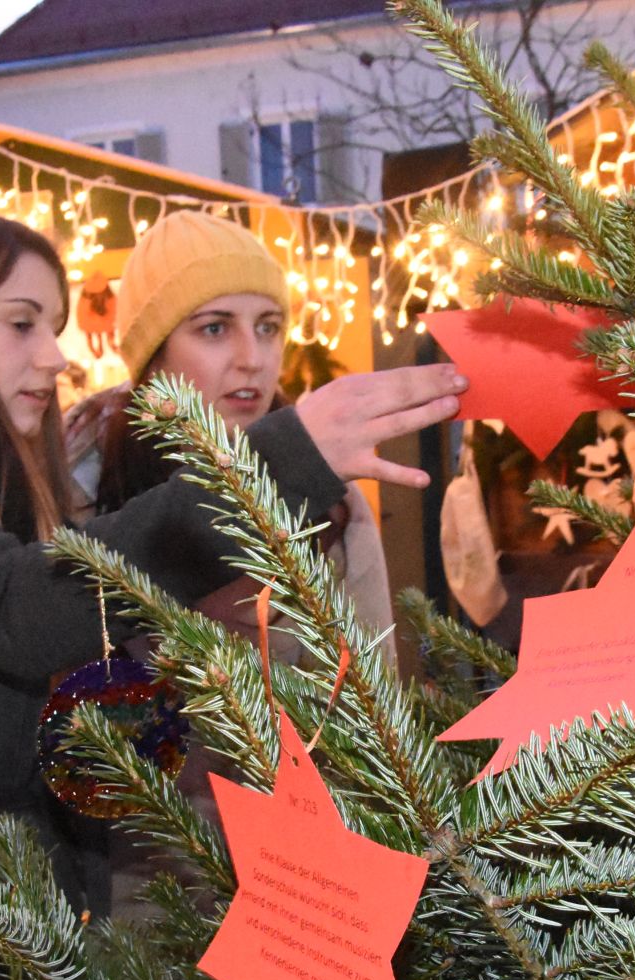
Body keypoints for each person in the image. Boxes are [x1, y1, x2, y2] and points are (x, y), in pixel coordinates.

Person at [0, 206, 463, 939]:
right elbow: (14, 606)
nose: (55, 357)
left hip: (29, 907)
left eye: (53, 328)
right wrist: (271, 469)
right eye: (22, 323)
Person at [66, 210, 395, 651]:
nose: (253, 358)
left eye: (268, 327)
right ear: (153, 356)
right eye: (215, 328)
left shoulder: (326, 498)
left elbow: (374, 700)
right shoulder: (79, 487)